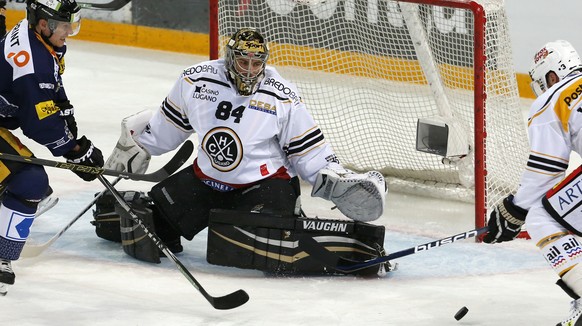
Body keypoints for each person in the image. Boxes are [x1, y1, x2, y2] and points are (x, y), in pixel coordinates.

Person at [103, 28, 389, 275]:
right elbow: (168, 129)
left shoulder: (281, 94)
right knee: (149, 231)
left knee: (267, 247)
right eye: (243, 61)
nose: (250, 70)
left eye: (256, 63)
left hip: (263, 186)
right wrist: (138, 144)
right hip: (205, 181)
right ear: (230, 58)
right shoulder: (195, 80)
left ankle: (290, 221)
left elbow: (307, 150)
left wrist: (333, 178)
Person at [0, 0, 104, 295]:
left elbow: (52, 89)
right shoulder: (32, 62)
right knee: (30, 182)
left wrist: (67, 118)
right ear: (43, 25)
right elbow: (39, 125)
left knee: (28, 188)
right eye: (63, 25)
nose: (69, 31)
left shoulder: (40, 40)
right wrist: (75, 152)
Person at [483, 40, 582, 325]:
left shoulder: (553, 99)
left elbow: (546, 173)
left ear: (552, 77)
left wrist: (513, 212)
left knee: (542, 216)